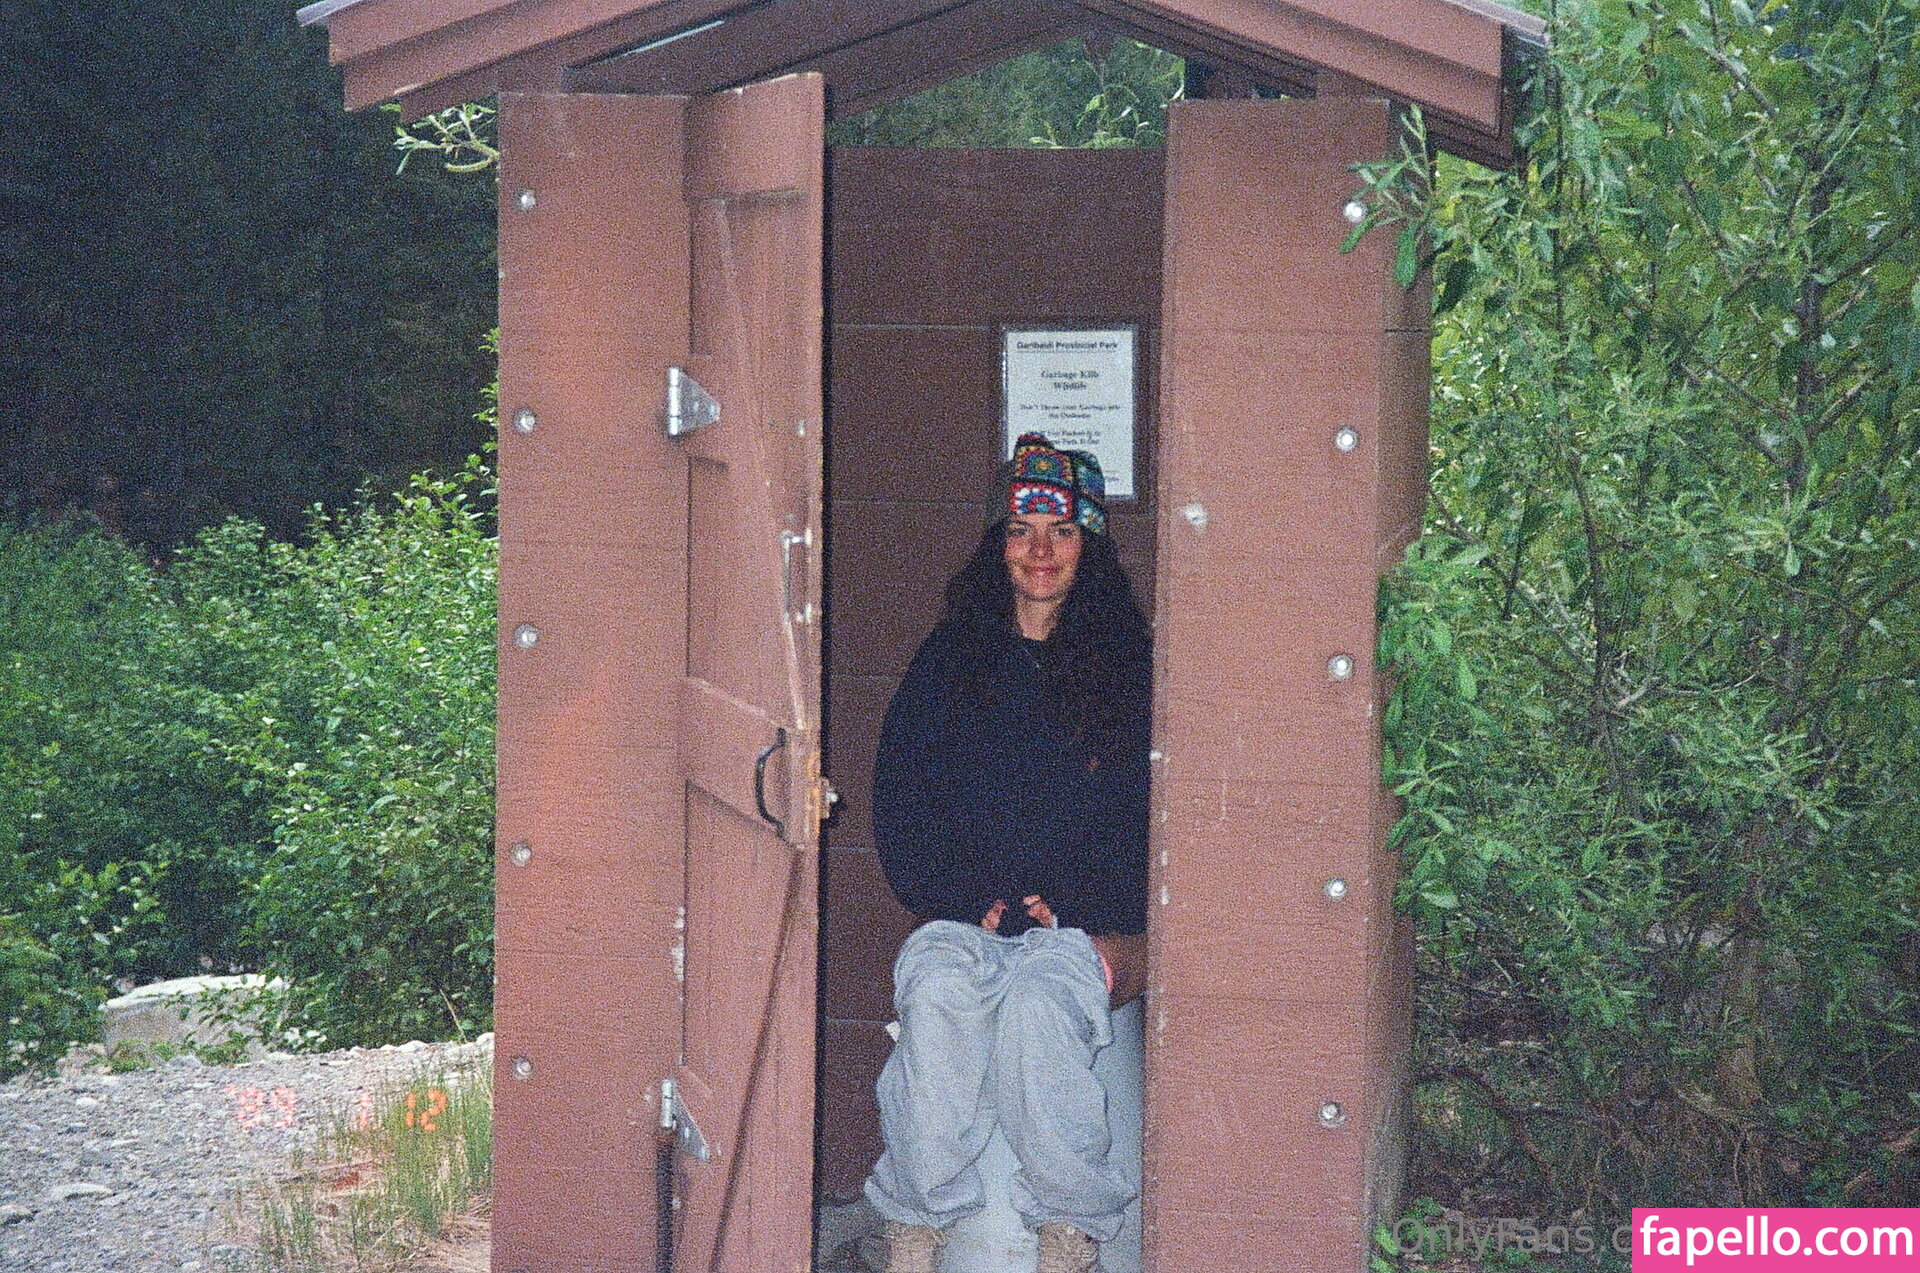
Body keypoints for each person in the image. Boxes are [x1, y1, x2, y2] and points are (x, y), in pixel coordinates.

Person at [864, 433, 1152, 1273]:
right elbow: (902, 794)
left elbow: (1141, 811)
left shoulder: (1127, 668)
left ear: (1088, 545)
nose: (1040, 550)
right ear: (998, 543)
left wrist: (1089, 906)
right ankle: (917, 1227)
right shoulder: (951, 659)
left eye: (1061, 531)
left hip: (1073, 928)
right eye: (1022, 529)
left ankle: (1068, 1231)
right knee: (935, 996)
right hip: (968, 918)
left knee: (1038, 1015)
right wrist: (960, 893)